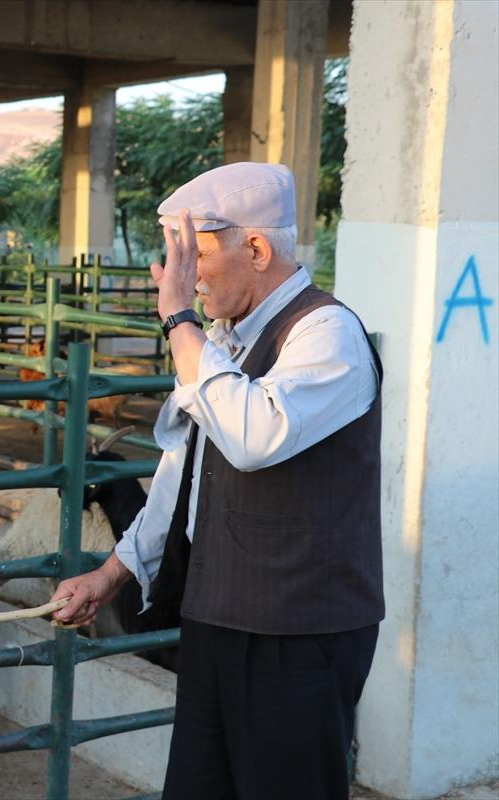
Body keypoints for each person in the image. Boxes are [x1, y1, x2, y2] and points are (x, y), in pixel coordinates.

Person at [51, 162, 383, 800]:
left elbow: (254, 436)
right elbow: (184, 476)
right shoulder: (225, 342)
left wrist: (180, 322)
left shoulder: (326, 332)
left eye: (196, 255)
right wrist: (110, 574)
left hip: (298, 630)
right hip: (218, 616)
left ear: (255, 248)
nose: (185, 277)